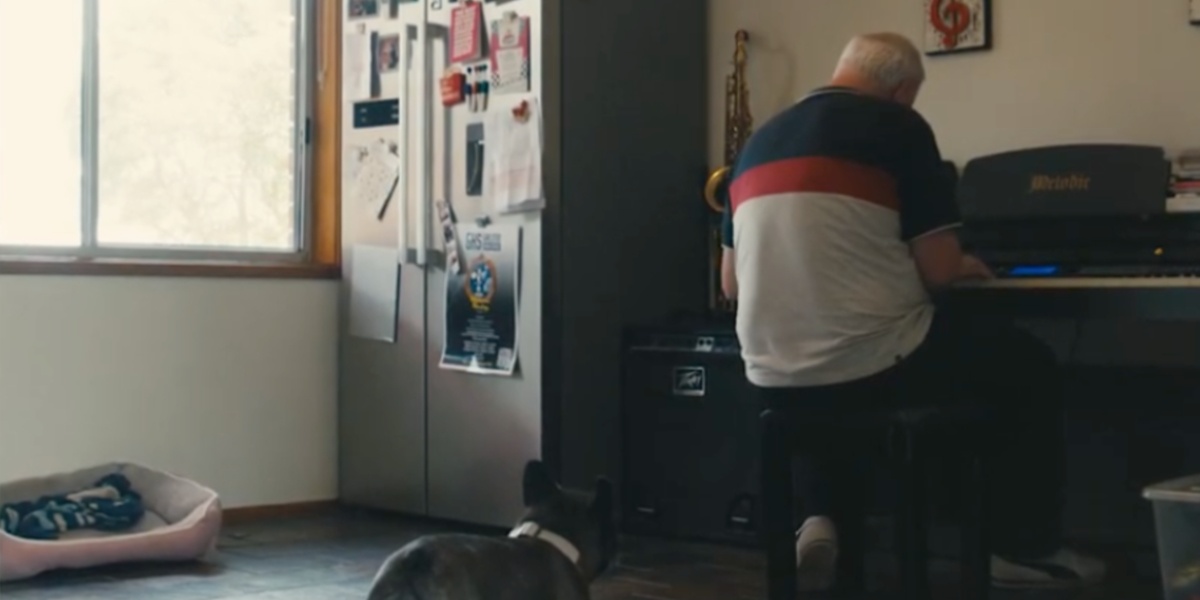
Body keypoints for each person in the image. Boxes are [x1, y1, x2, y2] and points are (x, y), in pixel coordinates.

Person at [719, 32, 1106, 591]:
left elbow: (731, 282)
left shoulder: (758, 143)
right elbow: (940, 270)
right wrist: (965, 262)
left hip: (771, 378)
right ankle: (1022, 548)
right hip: (873, 374)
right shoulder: (897, 129)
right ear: (902, 90)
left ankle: (820, 516)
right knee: (1026, 364)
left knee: (842, 351)